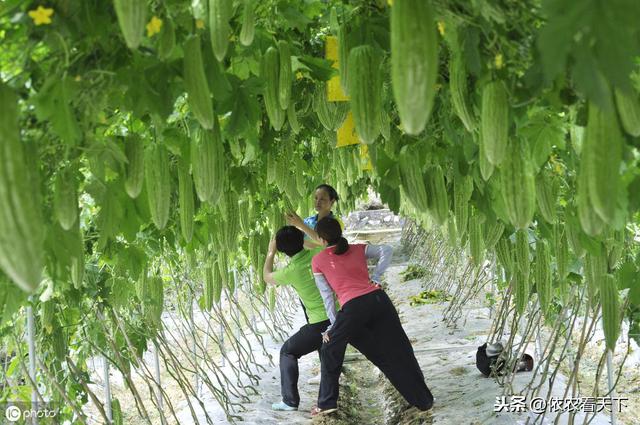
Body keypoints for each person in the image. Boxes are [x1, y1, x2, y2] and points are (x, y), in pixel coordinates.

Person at [309, 217, 434, 416]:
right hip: (379, 301)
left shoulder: (318, 260)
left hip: (354, 308)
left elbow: (327, 297)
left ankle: (326, 403)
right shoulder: (358, 248)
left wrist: (334, 326)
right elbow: (387, 249)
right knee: (401, 350)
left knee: (330, 347)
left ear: (322, 239)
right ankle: (423, 400)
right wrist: (375, 277)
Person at [262, 226, 338, 411]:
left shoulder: (291, 271)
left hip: (320, 322)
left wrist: (271, 252)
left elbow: (267, 277)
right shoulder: (319, 253)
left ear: (281, 249)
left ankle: (289, 401)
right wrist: (299, 230)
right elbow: (321, 242)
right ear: (302, 240)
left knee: (288, 351)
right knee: (326, 354)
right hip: (339, 314)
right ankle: (327, 403)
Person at [285, 184, 344, 249]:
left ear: (332, 202)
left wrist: (301, 225)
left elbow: (325, 246)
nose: (317, 202)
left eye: (322, 199)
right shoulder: (307, 221)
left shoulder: (337, 223)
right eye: (316, 198)